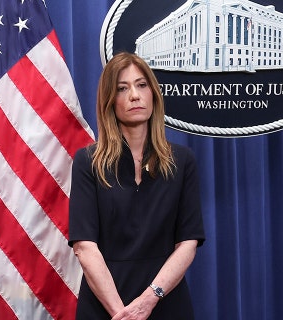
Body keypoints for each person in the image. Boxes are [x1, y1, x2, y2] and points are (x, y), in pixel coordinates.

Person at [68, 52, 205, 319]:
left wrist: (148, 300)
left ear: (153, 93)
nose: (134, 95)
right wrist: (123, 314)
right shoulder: (87, 162)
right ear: (110, 101)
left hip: (165, 300)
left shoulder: (183, 161)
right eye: (122, 88)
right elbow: (84, 247)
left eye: (141, 85)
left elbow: (188, 243)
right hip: (105, 305)